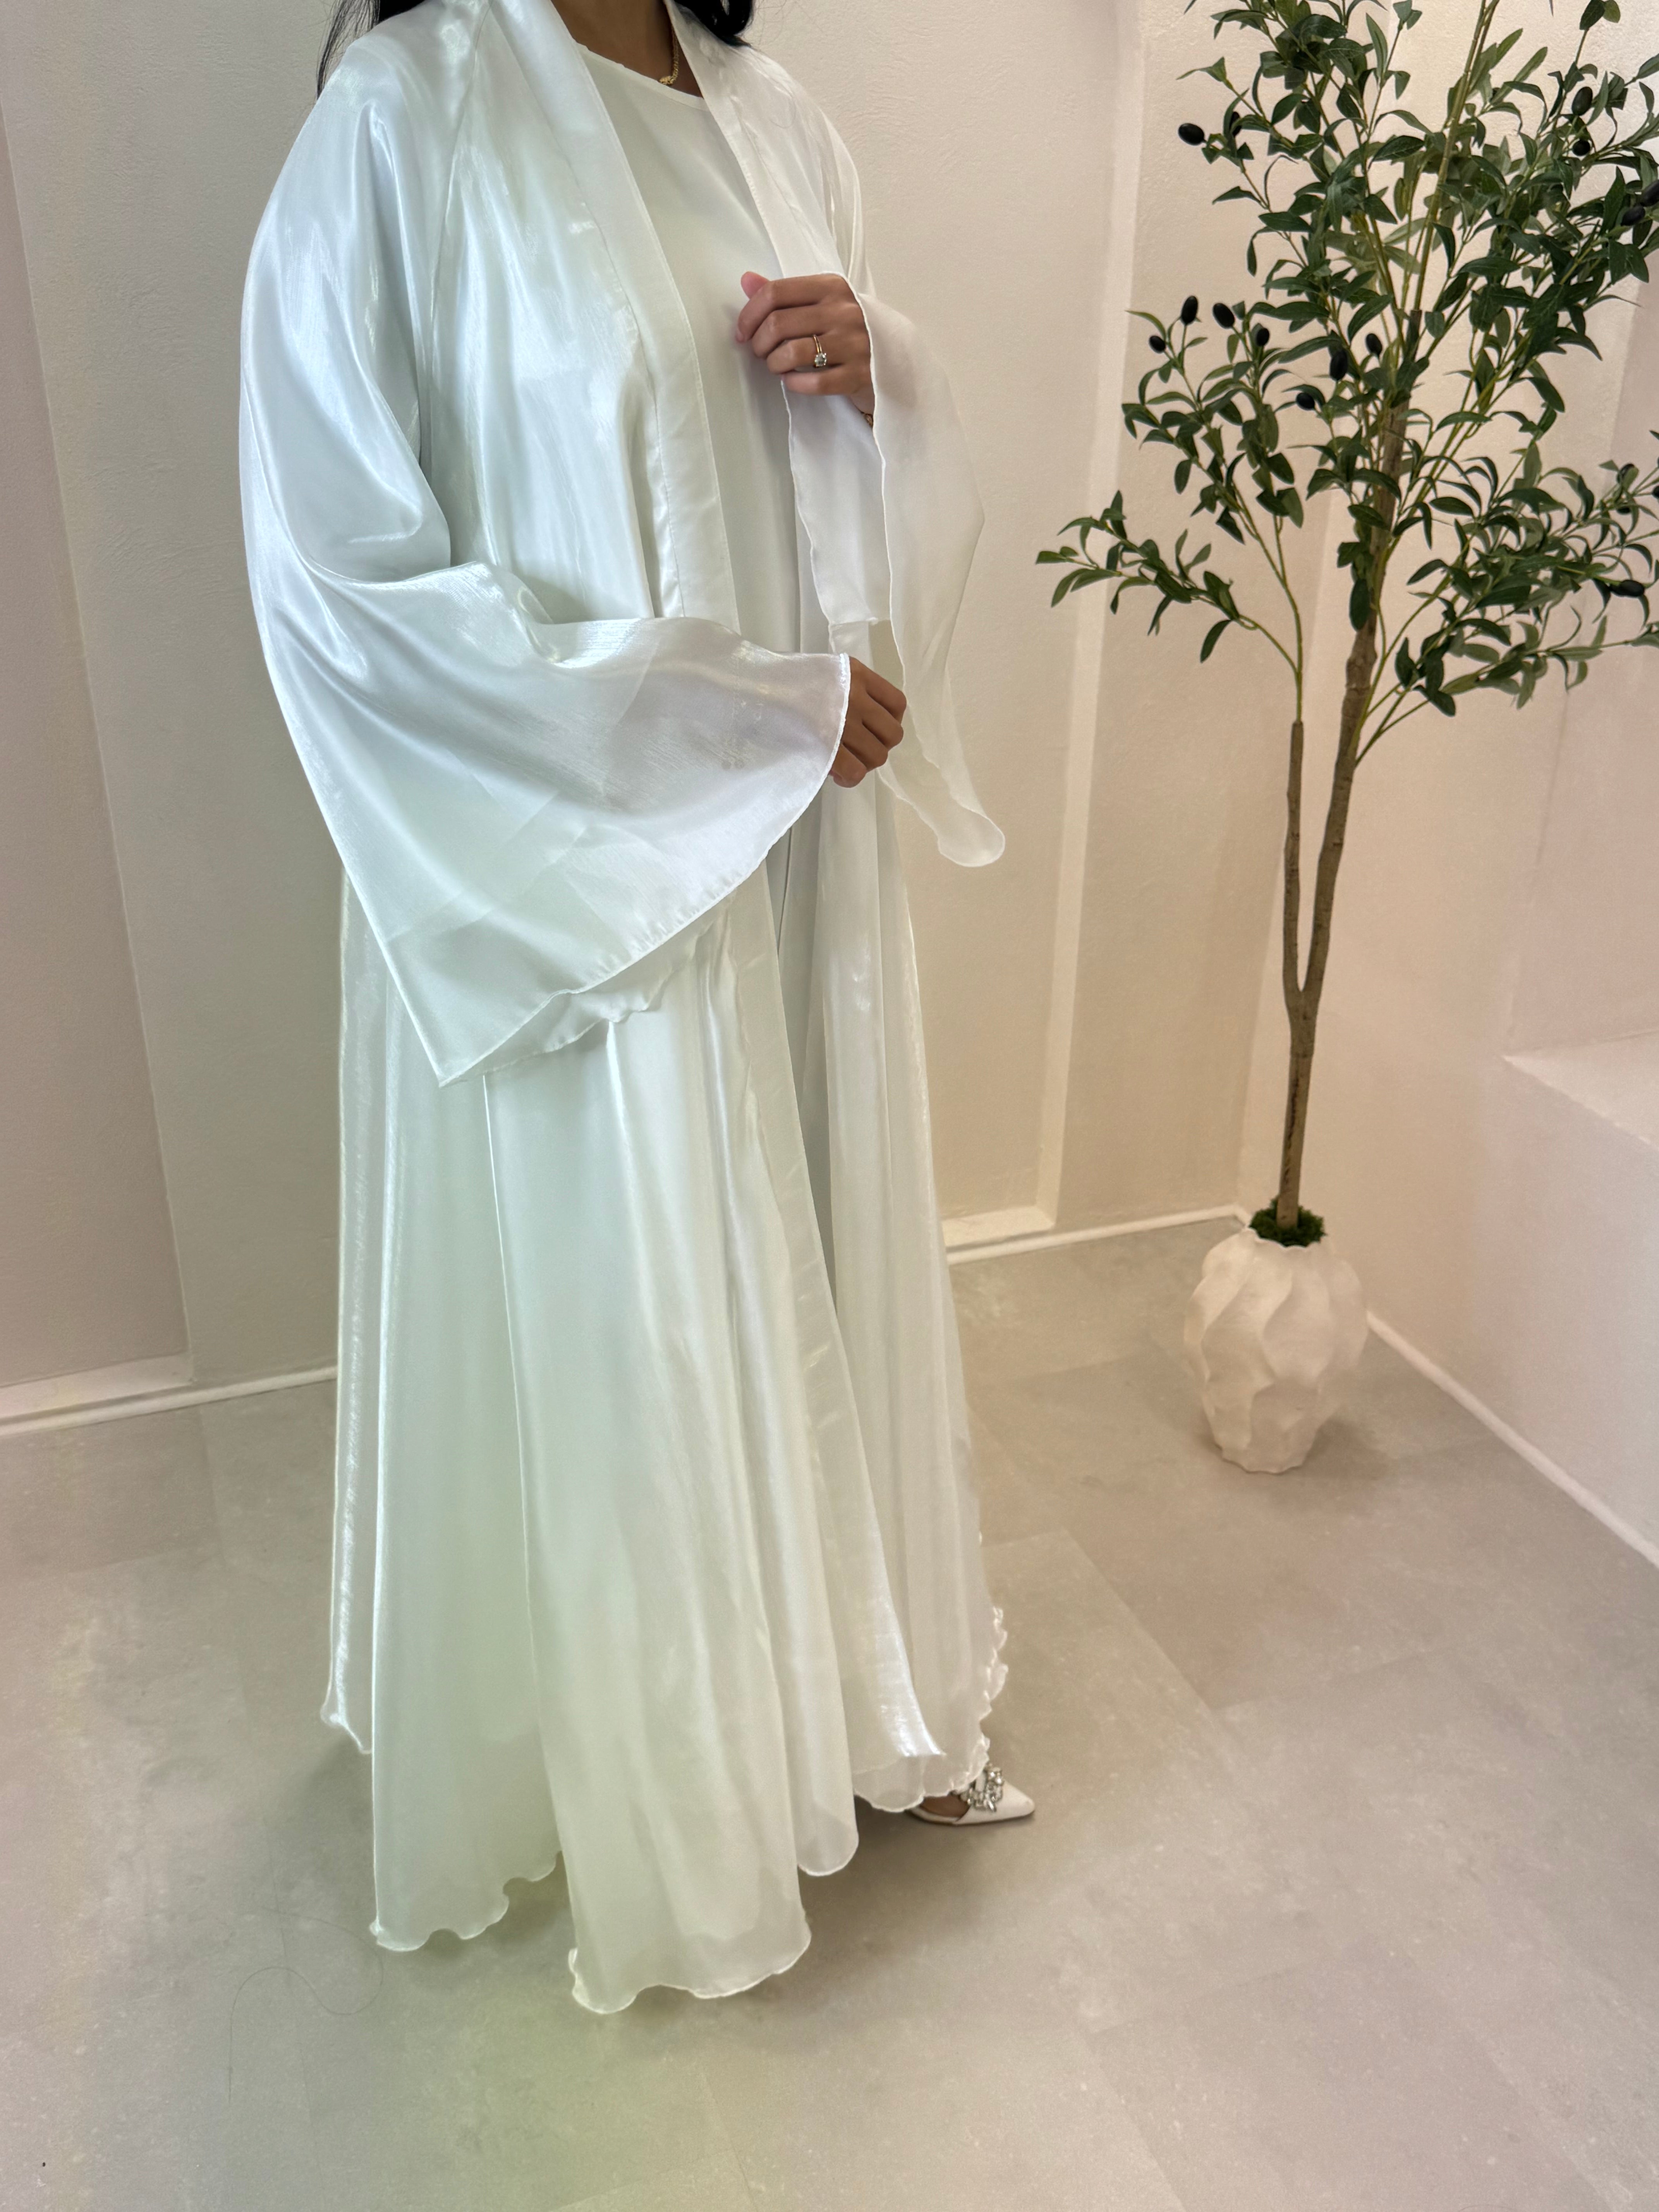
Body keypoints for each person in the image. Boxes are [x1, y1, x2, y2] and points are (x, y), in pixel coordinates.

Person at [238, 0, 1030, 2018]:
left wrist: (888, 373)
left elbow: (845, 470)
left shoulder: (773, 116)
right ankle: (692, 1781)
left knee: (810, 1238)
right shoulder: (406, 120)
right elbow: (339, 574)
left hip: (805, 832)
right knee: (648, 1289)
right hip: (599, 869)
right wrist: (727, 716)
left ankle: (858, 1697)